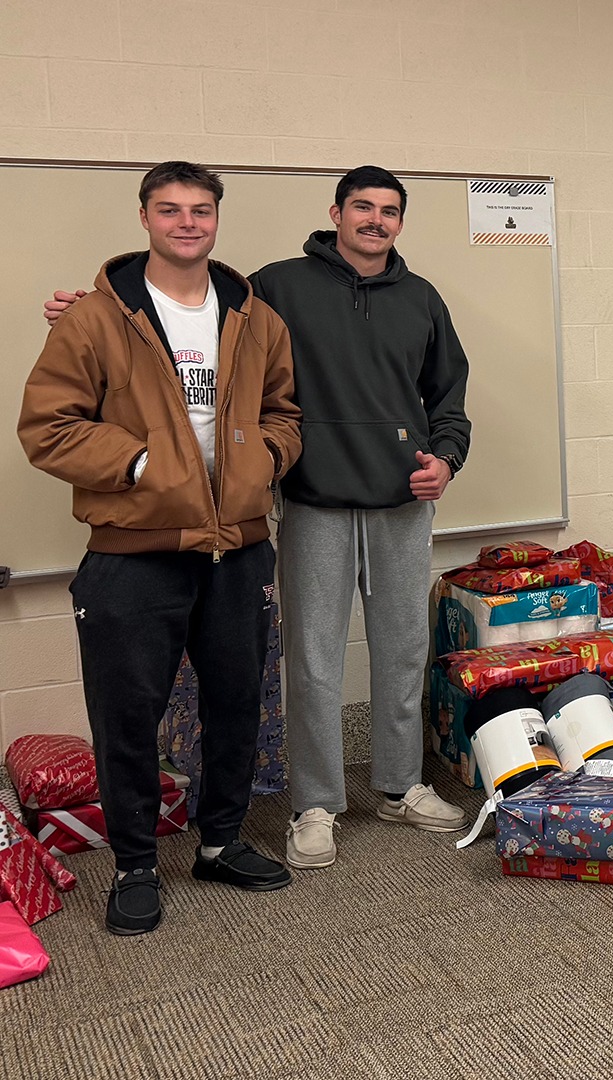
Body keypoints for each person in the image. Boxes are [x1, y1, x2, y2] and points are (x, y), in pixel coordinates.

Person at [46, 166, 474, 870]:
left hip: (402, 502)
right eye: (361, 206)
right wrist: (88, 310)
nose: (374, 219)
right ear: (334, 213)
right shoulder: (277, 285)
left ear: (400, 221)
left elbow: (448, 395)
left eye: (388, 210)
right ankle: (314, 806)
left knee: (402, 651)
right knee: (311, 659)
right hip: (311, 499)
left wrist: (448, 458)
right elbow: (179, 305)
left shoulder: (422, 298)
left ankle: (401, 786)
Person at [19, 161, 303, 935]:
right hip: (133, 552)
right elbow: (48, 427)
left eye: (201, 210)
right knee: (128, 714)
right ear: (144, 216)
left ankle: (219, 842)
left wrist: (265, 460)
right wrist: (143, 465)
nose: (187, 222)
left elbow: (284, 410)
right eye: (170, 209)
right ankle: (136, 865)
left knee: (236, 702)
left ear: (217, 219)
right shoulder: (96, 318)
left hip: (237, 549)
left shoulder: (255, 315)